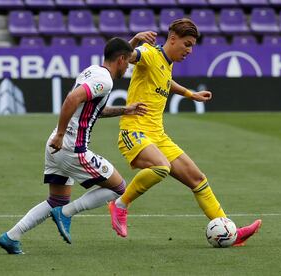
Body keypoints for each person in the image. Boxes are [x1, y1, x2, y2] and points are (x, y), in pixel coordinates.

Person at [108, 18, 262, 247]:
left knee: (198, 180)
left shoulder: (165, 61)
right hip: (134, 132)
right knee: (161, 167)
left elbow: (165, 81)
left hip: (157, 136)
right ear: (172, 39)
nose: (189, 50)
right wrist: (135, 40)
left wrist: (191, 95)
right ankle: (120, 205)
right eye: (187, 44)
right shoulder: (148, 53)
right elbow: (121, 58)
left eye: (192, 46)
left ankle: (232, 232)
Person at [0, 34, 153, 254]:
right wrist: (62, 134)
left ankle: (12, 236)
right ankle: (67, 213)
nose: (127, 68)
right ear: (120, 59)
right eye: (127, 62)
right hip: (72, 148)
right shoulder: (105, 80)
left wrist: (125, 110)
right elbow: (72, 99)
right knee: (119, 188)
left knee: (56, 199)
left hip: (55, 146)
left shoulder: (92, 71)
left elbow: (92, 111)